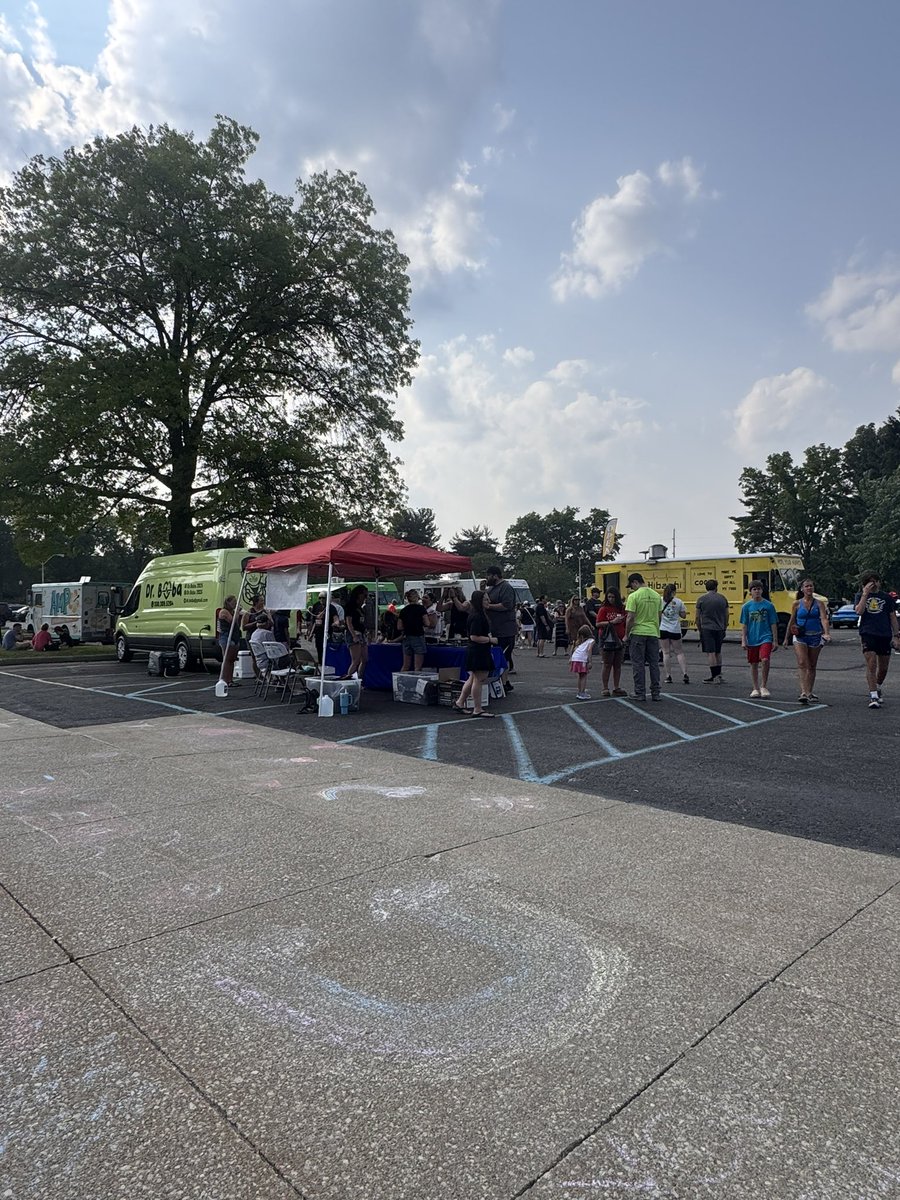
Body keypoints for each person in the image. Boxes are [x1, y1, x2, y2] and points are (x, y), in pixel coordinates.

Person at [854, 571, 900, 709]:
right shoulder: (860, 596)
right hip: (868, 633)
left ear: (879, 582)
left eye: (875, 581)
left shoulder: (886, 598)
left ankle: (878, 686)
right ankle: (873, 695)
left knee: (883, 668)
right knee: (871, 664)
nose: (873, 584)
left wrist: (896, 635)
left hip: (884, 634)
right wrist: (865, 594)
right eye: (870, 581)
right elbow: (859, 611)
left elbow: (892, 617)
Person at [452, 590, 496, 717]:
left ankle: (460, 702)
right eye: (486, 599)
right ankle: (477, 709)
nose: (489, 601)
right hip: (478, 651)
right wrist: (490, 640)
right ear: (479, 601)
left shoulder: (477, 614)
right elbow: (474, 637)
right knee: (479, 679)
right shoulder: (477, 616)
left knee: (472, 679)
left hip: (477, 650)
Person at [786, 579, 830, 704]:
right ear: (802, 589)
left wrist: (826, 633)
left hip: (815, 635)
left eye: (811, 586)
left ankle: (809, 691)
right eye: (806, 586)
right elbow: (792, 620)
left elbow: (824, 619)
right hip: (801, 636)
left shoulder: (819, 603)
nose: (809, 588)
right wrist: (786, 637)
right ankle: (803, 692)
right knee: (802, 662)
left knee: (811, 664)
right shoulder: (797, 603)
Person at [624, 572, 663, 701]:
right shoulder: (656, 596)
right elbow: (659, 616)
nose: (631, 588)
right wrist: (656, 628)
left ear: (635, 582)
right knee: (654, 664)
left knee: (638, 664)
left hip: (638, 632)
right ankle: (656, 692)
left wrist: (626, 634)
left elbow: (630, 618)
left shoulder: (633, 596)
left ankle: (640, 692)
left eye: (631, 586)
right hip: (653, 633)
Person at [739, 580, 779, 698]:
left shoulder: (769, 606)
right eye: (754, 589)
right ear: (750, 592)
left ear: (762, 590)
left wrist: (775, 640)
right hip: (752, 638)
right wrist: (743, 639)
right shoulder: (746, 607)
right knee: (754, 663)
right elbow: (744, 624)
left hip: (765, 637)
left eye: (759, 589)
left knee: (765, 659)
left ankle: (763, 686)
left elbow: (773, 623)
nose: (757, 591)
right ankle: (755, 688)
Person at [484, 565, 518, 692]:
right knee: (496, 656)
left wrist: (489, 606)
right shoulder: (491, 588)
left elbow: (506, 605)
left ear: (495, 576)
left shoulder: (506, 587)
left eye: (488, 576)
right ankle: (501, 681)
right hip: (495, 629)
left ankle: (504, 682)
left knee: (504, 656)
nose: (487, 578)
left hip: (505, 629)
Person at [596, 587, 628, 697]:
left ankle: (616, 687)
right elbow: (598, 624)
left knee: (617, 664)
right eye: (609, 597)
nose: (611, 599)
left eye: (613, 597)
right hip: (607, 639)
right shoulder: (603, 609)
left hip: (620, 638)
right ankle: (605, 687)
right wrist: (611, 622)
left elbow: (626, 622)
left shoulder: (622, 608)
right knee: (607, 663)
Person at [696, 579, 729, 684]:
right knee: (718, 652)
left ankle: (714, 676)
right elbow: (727, 614)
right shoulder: (722, 598)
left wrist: (700, 629)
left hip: (707, 628)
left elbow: (697, 617)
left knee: (711, 653)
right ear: (716, 587)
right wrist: (724, 626)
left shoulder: (701, 599)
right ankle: (719, 675)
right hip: (720, 628)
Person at [660, 584, 689, 685]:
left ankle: (668, 676)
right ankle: (685, 674)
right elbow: (684, 615)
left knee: (666, 653)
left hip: (663, 629)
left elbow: (658, 613)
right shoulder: (679, 601)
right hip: (675, 629)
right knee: (679, 652)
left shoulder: (660, 601)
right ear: (674, 592)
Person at [398, 588, 429, 672]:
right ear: (416, 597)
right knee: (417, 667)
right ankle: (416, 680)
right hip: (418, 636)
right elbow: (427, 623)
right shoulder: (421, 609)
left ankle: (401, 679)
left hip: (406, 637)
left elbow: (399, 627)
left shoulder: (403, 610)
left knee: (405, 665)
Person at [342, 584, 369, 680]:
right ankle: (349, 679)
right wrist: (354, 635)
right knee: (355, 660)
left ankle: (359, 678)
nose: (365, 598)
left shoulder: (360, 607)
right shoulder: (350, 605)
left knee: (365, 659)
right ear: (359, 594)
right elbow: (348, 621)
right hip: (353, 633)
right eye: (364, 595)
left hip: (361, 633)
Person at [216, 595, 243, 686]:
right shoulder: (224, 611)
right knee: (227, 660)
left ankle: (230, 680)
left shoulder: (232, 612)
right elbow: (232, 621)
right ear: (228, 602)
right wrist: (238, 612)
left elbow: (237, 625)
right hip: (226, 637)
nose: (235, 604)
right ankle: (224, 679)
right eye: (234, 602)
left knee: (232, 660)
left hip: (234, 637)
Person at [569, 624, 595, 700]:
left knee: (580, 676)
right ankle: (582, 692)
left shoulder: (579, 642)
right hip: (582, 659)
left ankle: (579, 692)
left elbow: (573, 649)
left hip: (575, 658)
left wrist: (571, 658)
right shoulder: (591, 641)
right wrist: (590, 661)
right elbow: (589, 650)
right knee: (584, 675)